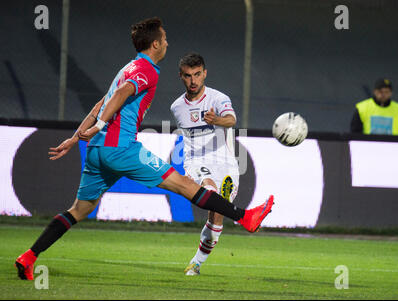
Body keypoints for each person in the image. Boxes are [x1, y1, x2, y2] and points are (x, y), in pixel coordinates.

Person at [14, 17, 274, 281]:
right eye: (164, 39)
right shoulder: (146, 69)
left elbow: (100, 104)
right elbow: (122, 94)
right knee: (185, 185)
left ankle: (29, 256)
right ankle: (245, 217)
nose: (167, 43)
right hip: (121, 148)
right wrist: (102, 123)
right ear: (155, 44)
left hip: (96, 149)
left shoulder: (125, 68)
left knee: (78, 210)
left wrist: (75, 137)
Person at [170, 53, 241, 276]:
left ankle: (197, 261)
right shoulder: (177, 107)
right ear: (181, 76)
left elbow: (231, 120)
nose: (193, 81)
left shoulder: (218, 99)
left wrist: (215, 120)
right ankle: (240, 216)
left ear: (205, 73)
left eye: (197, 74)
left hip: (225, 162)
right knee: (209, 189)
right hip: (196, 161)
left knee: (216, 217)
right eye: (188, 76)